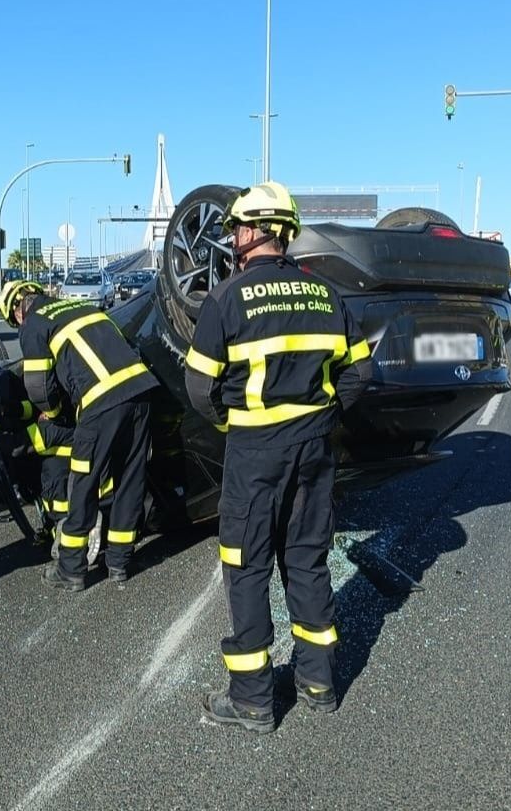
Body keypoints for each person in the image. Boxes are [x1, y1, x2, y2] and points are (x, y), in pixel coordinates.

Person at [184, 182, 373, 733]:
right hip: (314, 450)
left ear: (250, 231)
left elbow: (199, 388)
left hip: (254, 455)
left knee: (246, 568)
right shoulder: (325, 294)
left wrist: (233, 419)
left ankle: (253, 699)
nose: (233, 239)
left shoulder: (226, 299)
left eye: (236, 228)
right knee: (307, 561)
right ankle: (318, 684)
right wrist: (322, 416)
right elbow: (359, 374)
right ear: (285, 232)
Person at [3, 276, 158, 591]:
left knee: (83, 483)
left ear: (17, 311)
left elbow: (38, 388)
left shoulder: (35, 322)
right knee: (130, 477)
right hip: (141, 392)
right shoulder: (84, 307)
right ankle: (119, 563)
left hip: (102, 402)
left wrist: (57, 414)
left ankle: (71, 568)